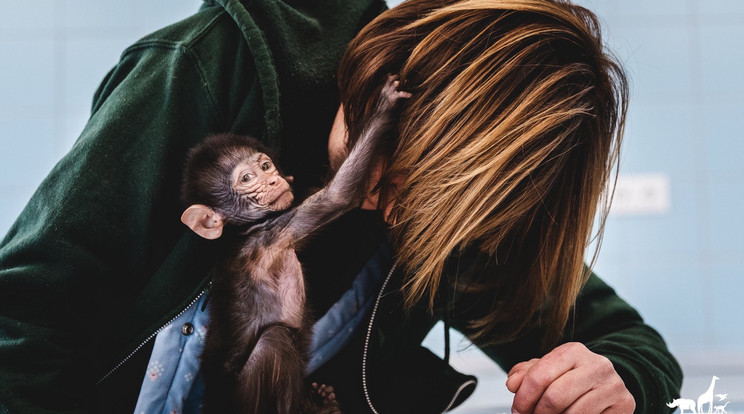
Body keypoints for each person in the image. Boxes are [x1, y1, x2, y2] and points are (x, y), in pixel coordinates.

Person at [0, 0, 682, 413]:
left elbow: (633, 348)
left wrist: (618, 380)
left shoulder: (453, 220)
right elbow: (22, 320)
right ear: (389, 76)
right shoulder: (208, 68)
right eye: (385, 161)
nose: (380, 201)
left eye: (422, 200)